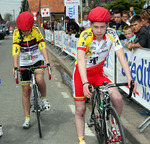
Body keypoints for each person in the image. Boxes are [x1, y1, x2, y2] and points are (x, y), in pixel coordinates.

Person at [73, 7, 136, 144]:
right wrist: (85, 83)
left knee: (118, 99)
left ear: (108, 25)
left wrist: (129, 78)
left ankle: (114, 127)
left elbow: (121, 57)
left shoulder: (112, 34)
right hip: (81, 75)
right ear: (90, 25)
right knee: (81, 109)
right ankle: (81, 140)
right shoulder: (85, 36)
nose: (99, 30)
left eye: (102, 27)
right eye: (96, 27)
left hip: (98, 74)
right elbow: (81, 60)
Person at [12, 11, 51, 129]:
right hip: (24, 62)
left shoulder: (36, 31)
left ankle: (44, 99)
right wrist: (15, 66)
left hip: (37, 59)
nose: (25, 32)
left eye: (27, 30)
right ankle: (27, 118)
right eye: (23, 31)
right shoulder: (16, 33)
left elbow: (42, 46)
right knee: (25, 90)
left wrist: (47, 61)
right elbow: (15, 50)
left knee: (39, 79)